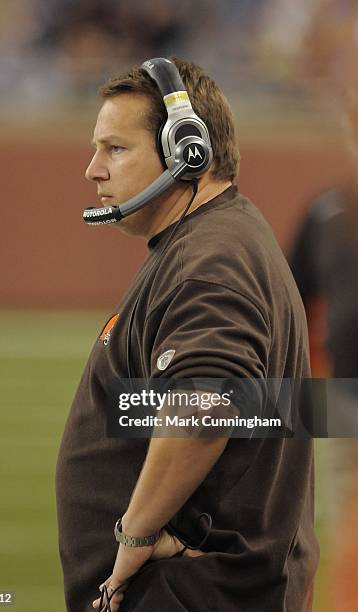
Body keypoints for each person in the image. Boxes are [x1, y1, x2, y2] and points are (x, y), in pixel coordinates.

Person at [56, 57, 319, 612]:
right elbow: (253, 406)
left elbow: (205, 405)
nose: (93, 170)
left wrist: (133, 538)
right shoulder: (212, 242)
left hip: (189, 593)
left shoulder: (210, 256)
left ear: (188, 150)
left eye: (115, 148)